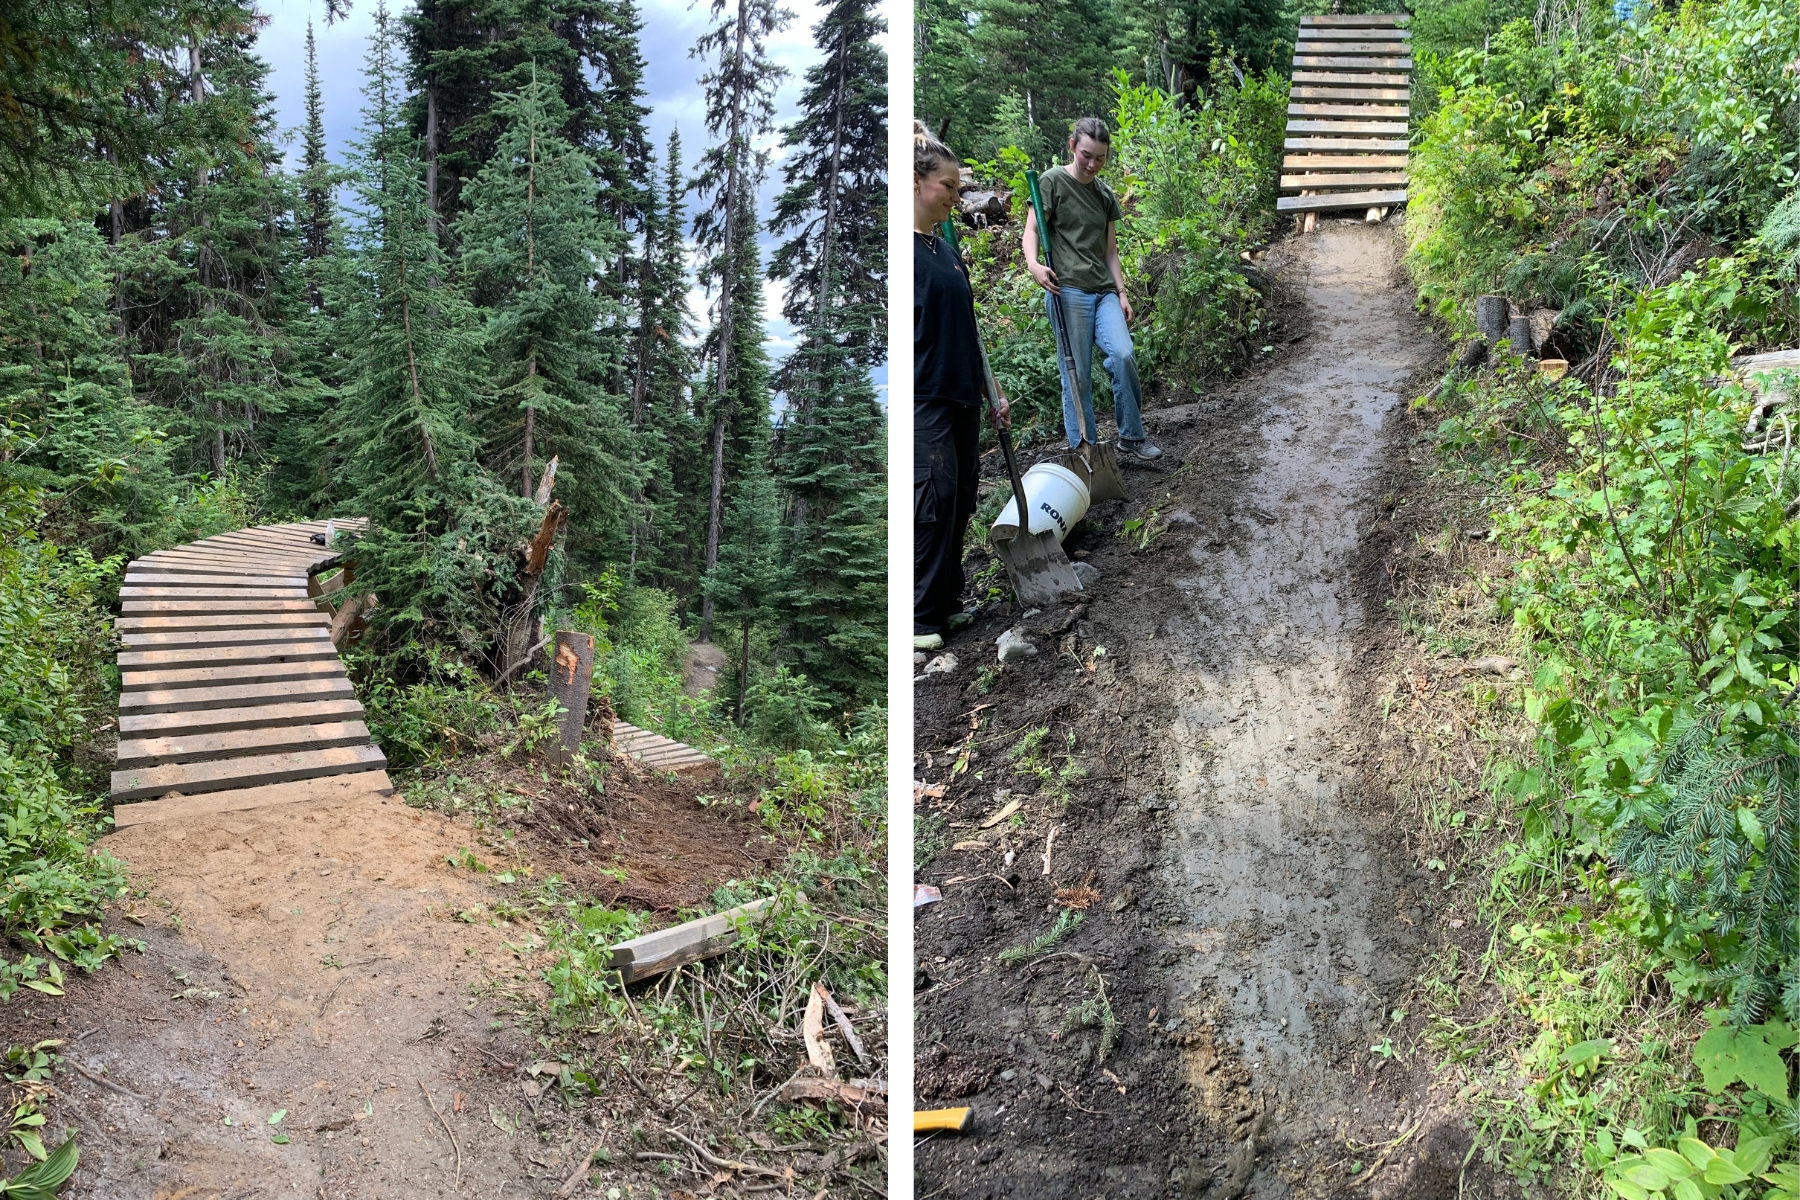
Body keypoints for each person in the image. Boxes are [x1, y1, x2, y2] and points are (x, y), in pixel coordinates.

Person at [914, 121, 1009, 652]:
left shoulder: (944, 249)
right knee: (933, 497)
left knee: (961, 495)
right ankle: (919, 618)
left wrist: (992, 391)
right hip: (922, 396)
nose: (957, 195)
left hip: (963, 392)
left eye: (958, 187)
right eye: (948, 186)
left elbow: (970, 329)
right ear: (916, 181)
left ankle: (948, 602)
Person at [1023, 116, 1162, 462]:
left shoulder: (1104, 194)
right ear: (1072, 146)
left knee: (1124, 354)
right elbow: (1033, 231)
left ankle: (1131, 436)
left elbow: (1110, 251)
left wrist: (1122, 292)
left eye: (1100, 158)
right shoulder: (1052, 181)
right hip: (1066, 290)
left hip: (1103, 293)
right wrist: (1033, 264)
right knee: (1077, 374)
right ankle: (1085, 450)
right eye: (1086, 154)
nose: (1092, 164)